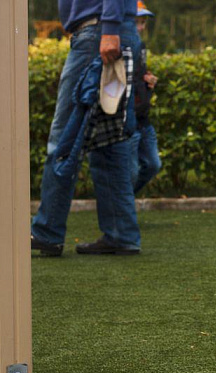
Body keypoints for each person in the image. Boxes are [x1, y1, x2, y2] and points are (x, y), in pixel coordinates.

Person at [31, 0, 142, 256]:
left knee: (64, 137)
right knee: (109, 140)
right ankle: (120, 233)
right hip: (110, 30)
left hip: (99, 32)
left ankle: (47, 231)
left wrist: (110, 29)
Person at [129, 1, 162, 194]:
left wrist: (148, 81)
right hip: (129, 122)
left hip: (143, 120)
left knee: (153, 164)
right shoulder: (120, 46)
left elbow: (137, 76)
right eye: (136, 22)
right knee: (130, 172)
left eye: (143, 22)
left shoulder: (140, 46)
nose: (141, 27)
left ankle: (123, 203)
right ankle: (122, 207)